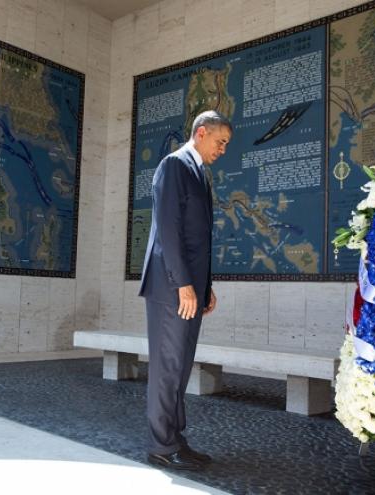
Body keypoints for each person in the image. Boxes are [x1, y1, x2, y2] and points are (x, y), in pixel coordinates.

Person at [139, 110, 232, 470]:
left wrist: (204, 287)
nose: (223, 150)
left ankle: (175, 439)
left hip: (189, 288)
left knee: (180, 369)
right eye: (220, 142)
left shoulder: (200, 175)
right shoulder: (174, 165)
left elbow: (199, 240)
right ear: (202, 132)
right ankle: (160, 445)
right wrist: (184, 285)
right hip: (171, 289)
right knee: (167, 368)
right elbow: (168, 230)